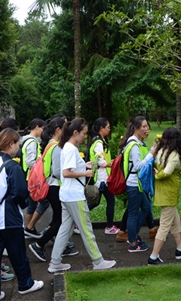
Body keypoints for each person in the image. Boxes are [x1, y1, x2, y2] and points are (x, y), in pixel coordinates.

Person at [0, 128, 44, 300]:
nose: (18, 147)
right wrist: (24, 203)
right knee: (18, 254)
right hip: (8, 218)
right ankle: (25, 284)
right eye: (17, 144)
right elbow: (20, 193)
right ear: (11, 144)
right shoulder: (12, 166)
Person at [48, 118, 116, 273]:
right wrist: (85, 172)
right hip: (74, 196)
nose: (85, 137)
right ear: (75, 132)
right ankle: (98, 261)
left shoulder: (66, 146)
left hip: (66, 195)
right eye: (84, 133)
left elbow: (68, 169)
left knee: (65, 230)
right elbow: (66, 172)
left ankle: (55, 262)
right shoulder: (71, 148)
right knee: (86, 229)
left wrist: (84, 165)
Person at [29, 116, 77, 262]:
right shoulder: (56, 146)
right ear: (58, 130)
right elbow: (57, 171)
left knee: (58, 218)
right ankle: (39, 244)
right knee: (61, 220)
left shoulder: (51, 144)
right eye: (66, 126)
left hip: (51, 186)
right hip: (54, 187)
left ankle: (58, 244)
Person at [148, 127, 181, 265]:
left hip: (162, 192)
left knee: (175, 220)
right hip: (169, 193)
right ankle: (153, 257)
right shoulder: (173, 154)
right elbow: (167, 172)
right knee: (164, 225)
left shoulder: (160, 151)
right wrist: (158, 175)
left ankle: (180, 249)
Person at [119, 116, 156, 252]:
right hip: (134, 184)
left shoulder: (138, 143)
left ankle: (133, 234)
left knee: (145, 208)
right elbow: (138, 166)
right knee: (133, 213)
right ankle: (133, 243)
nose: (147, 129)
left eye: (147, 126)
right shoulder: (134, 145)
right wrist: (151, 154)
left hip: (138, 184)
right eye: (144, 127)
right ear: (136, 128)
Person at [87, 118, 118, 235]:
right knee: (110, 200)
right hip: (102, 178)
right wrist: (109, 164)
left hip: (101, 177)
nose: (109, 129)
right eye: (108, 127)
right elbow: (99, 160)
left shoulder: (98, 140)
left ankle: (76, 221)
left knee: (95, 201)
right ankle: (109, 226)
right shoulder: (99, 142)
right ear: (101, 128)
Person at [21, 118, 49, 239]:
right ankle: (30, 227)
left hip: (28, 177)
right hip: (32, 178)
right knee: (44, 202)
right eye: (42, 128)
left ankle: (29, 229)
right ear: (37, 127)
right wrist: (39, 168)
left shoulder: (25, 140)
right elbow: (30, 161)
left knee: (32, 204)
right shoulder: (32, 142)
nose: (43, 131)